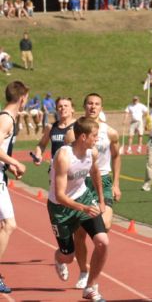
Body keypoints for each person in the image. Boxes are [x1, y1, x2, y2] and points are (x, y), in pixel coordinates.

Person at [48, 117, 108, 302]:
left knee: (103, 242)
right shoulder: (64, 156)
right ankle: (59, 258)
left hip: (83, 197)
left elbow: (95, 172)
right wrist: (83, 208)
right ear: (83, 136)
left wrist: (101, 199)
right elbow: (60, 195)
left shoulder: (92, 153)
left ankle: (90, 287)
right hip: (60, 208)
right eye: (94, 136)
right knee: (68, 256)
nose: (97, 139)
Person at [74, 93, 121, 290]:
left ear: (101, 107)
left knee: (106, 225)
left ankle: (92, 270)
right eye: (90, 104)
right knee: (80, 234)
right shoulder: (74, 133)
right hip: (82, 181)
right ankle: (84, 272)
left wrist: (116, 183)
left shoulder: (110, 133)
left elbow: (117, 156)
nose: (93, 107)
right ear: (84, 106)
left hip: (103, 179)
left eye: (97, 104)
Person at [0, 81, 28, 293]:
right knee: (9, 224)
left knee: (6, 225)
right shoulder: (6, 119)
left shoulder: (8, 118)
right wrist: (15, 162)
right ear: (22, 98)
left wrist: (10, 165)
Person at [32, 97, 75, 166]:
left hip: (74, 168)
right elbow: (42, 144)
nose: (63, 108)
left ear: (72, 109)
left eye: (66, 106)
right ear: (57, 110)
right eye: (60, 106)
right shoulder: (51, 127)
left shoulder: (79, 126)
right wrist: (38, 154)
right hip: (56, 169)